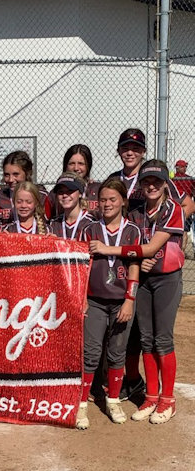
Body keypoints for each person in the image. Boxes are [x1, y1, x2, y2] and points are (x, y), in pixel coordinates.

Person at [91, 160, 185, 424]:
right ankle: (151, 396)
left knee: (162, 338)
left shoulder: (172, 209)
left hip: (167, 279)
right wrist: (140, 257)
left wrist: (109, 250)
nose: (151, 186)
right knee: (146, 339)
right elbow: (136, 247)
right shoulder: (137, 211)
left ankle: (168, 400)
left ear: (165, 183)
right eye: (146, 182)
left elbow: (149, 248)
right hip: (144, 279)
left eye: (156, 181)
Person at [107, 129, 193, 401]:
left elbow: (187, 204)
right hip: (133, 264)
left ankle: (162, 397)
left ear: (143, 151)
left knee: (160, 336)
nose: (130, 152)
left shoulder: (160, 183)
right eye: (125, 147)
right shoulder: (115, 180)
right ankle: (137, 385)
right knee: (137, 333)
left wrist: (168, 239)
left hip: (158, 266)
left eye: (135, 147)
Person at [76, 179, 141, 429]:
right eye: (103, 199)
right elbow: (83, 267)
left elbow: (134, 267)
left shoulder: (132, 230)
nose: (107, 204)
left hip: (121, 302)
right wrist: (82, 298)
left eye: (113, 199)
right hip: (94, 300)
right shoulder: (90, 229)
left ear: (123, 201)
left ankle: (113, 399)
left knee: (116, 353)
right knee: (91, 353)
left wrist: (129, 300)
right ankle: (82, 404)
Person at [0, 151, 47, 225]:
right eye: (7, 175)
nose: (11, 179)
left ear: (27, 173)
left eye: (16, 174)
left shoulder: (42, 196)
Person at [46, 145, 100, 218]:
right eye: (72, 163)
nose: (76, 168)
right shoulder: (55, 193)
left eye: (81, 163)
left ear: (88, 166)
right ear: (66, 166)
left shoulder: (98, 190)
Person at [48, 173, 94, 240]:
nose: (64, 195)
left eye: (70, 191)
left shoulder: (90, 222)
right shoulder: (54, 224)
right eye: (60, 192)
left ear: (80, 194)